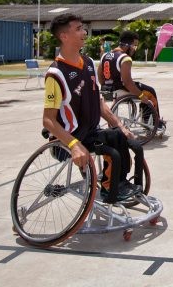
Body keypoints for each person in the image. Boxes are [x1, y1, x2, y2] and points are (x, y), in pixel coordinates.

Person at [42, 14, 141, 203]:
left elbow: (99, 103)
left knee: (120, 137)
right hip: (69, 139)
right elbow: (48, 120)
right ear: (64, 36)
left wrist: (120, 125)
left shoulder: (87, 63)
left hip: (90, 132)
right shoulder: (55, 74)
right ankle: (109, 188)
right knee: (112, 151)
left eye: (83, 28)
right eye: (78, 29)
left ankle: (117, 185)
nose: (84, 32)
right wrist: (73, 145)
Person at [98, 30, 164, 129]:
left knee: (142, 88)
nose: (135, 49)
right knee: (150, 91)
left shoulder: (105, 56)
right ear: (127, 45)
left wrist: (108, 86)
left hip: (108, 90)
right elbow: (127, 82)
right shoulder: (125, 58)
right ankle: (155, 122)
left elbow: (100, 77)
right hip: (122, 89)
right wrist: (141, 96)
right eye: (135, 46)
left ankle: (147, 118)